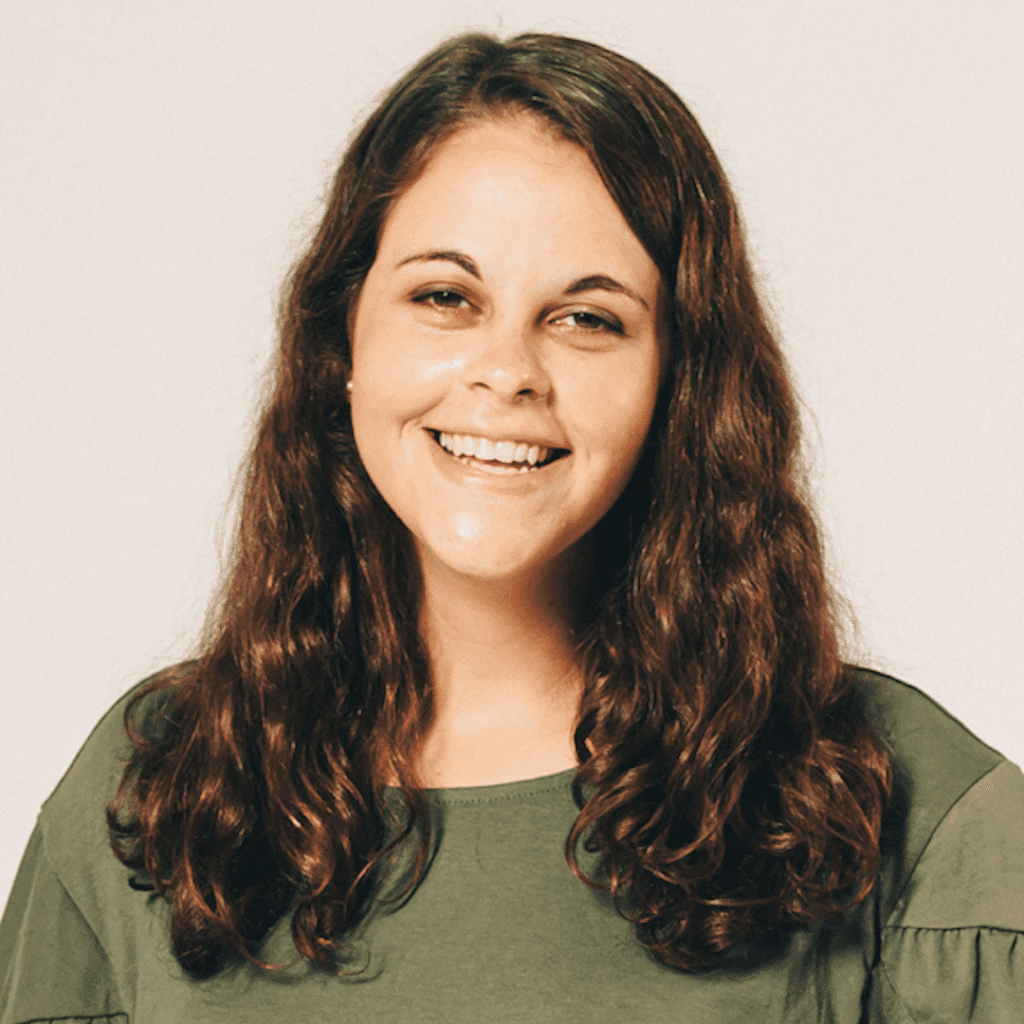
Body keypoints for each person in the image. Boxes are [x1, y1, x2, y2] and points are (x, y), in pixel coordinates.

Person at [1, 31, 1021, 1023]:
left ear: (679, 385)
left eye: (587, 317)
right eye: (445, 296)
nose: (507, 372)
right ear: (343, 338)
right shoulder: (162, 794)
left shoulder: (908, 815)